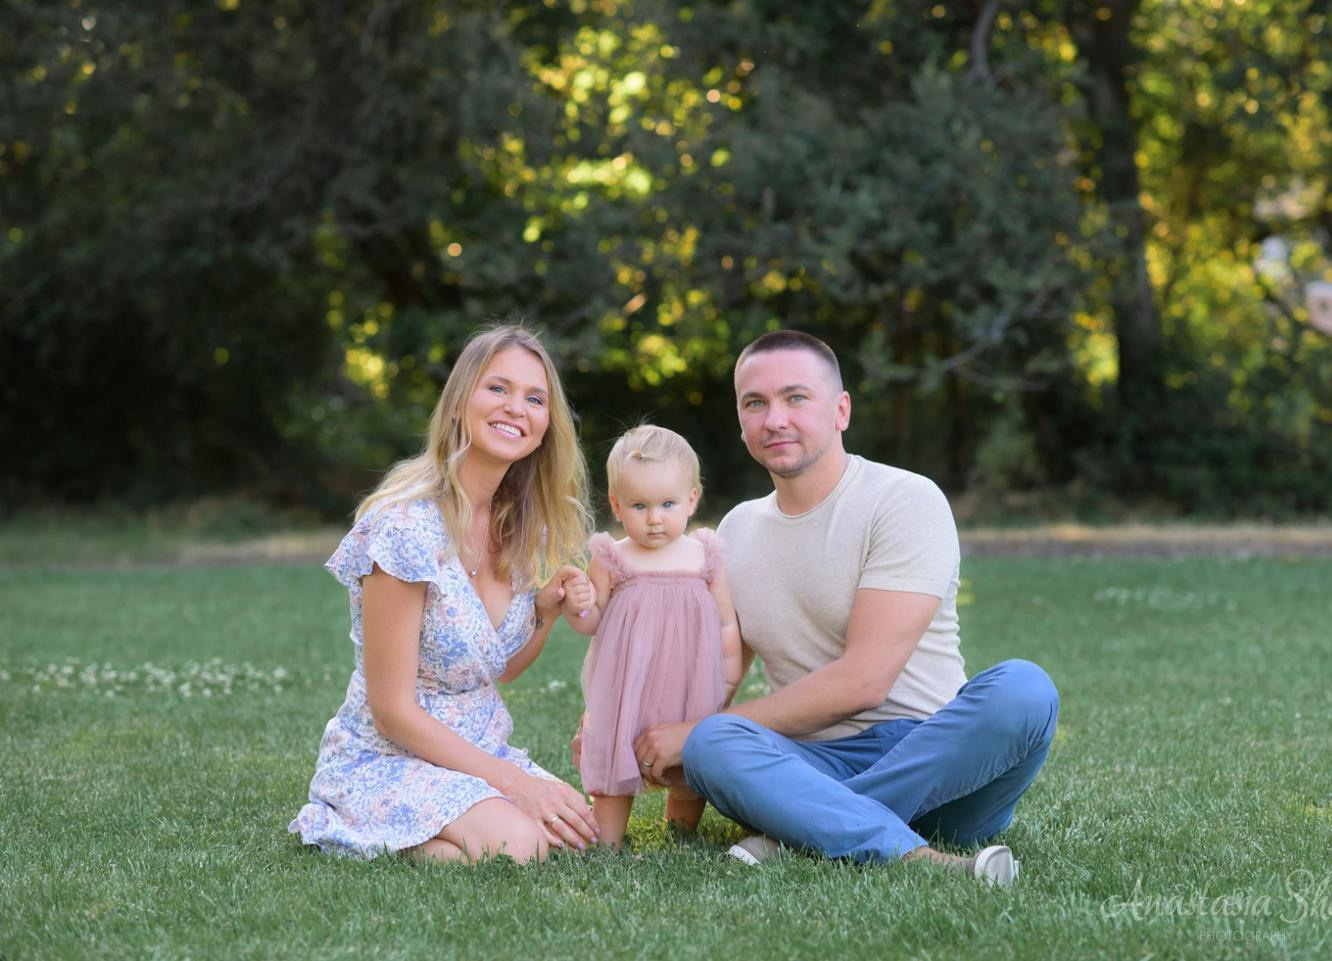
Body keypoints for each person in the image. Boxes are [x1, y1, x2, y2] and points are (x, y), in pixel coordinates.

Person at [629, 330, 1058, 884]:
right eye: (754, 403)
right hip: (807, 763)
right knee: (714, 742)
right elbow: (718, 670)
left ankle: (800, 832)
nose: (774, 418)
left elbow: (864, 682)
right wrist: (643, 726)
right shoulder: (734, 531)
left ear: (841, 410)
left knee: (1024, 689)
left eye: (795, 398)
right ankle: (862, 835)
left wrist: (696, 734)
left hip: (939, 762)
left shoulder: (905, 499)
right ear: (740, 422)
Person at [290, 324, 601, 864]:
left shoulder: (522, 527)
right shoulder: (406, 528)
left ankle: (462, 822)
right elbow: (392, 711)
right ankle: (353, 827)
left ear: (547, 425)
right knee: (518, 847)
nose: (516, 408)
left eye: (534, 398)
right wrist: (516, 784)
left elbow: (496, 668)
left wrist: (544, 615)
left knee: (580, 834)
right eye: (497, 388)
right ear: (461, 401)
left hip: (476, 751)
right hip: (387, 756)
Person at [573, 426, 743, 848]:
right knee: (616, 754)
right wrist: (579, 603)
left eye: (667, 504)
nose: (654, 518)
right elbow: (592, 620)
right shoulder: (613, 557)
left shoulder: (704, 555)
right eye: (639, 505)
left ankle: (680, 833)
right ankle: (607, 839)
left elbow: (726, 622)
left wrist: (729, 676)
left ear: (691, 499)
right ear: (616, 505)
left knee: (687, 765)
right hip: (629, 683)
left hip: (690, 680)